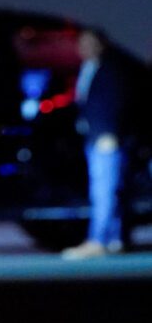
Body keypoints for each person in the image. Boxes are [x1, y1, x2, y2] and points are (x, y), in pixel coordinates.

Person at [62, 28, 141, 260]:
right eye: (82, 43)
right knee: (109, 189)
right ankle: (115, 239)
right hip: (94, 137)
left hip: (105, 138)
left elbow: (115, 102)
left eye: (91, 43)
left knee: (104, 190)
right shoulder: (89, 67)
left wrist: (109, 133)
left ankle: (98, 240)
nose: (85, 48)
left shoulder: (111, 68)